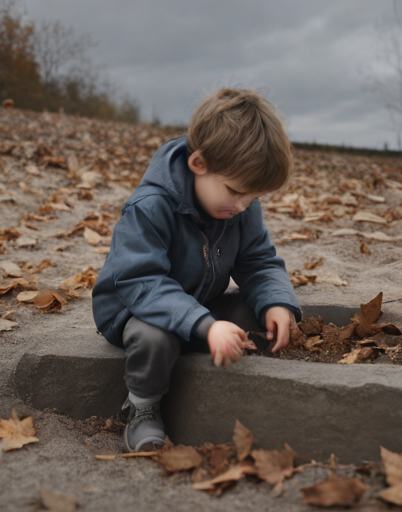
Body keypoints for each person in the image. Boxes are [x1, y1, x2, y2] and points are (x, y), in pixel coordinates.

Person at [92, 88, 301, 453]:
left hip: (200, 300)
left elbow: (259, 261)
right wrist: (207, 325)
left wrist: (276, 303)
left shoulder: (239, 206)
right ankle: (142, 408)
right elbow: (141, 281)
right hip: (136, 309)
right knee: (155, 338)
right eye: (235, 191)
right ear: (199, 165)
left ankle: (218, 336)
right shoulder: (150, 206)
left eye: (253, 196)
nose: (242, 205)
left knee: (259, 309)